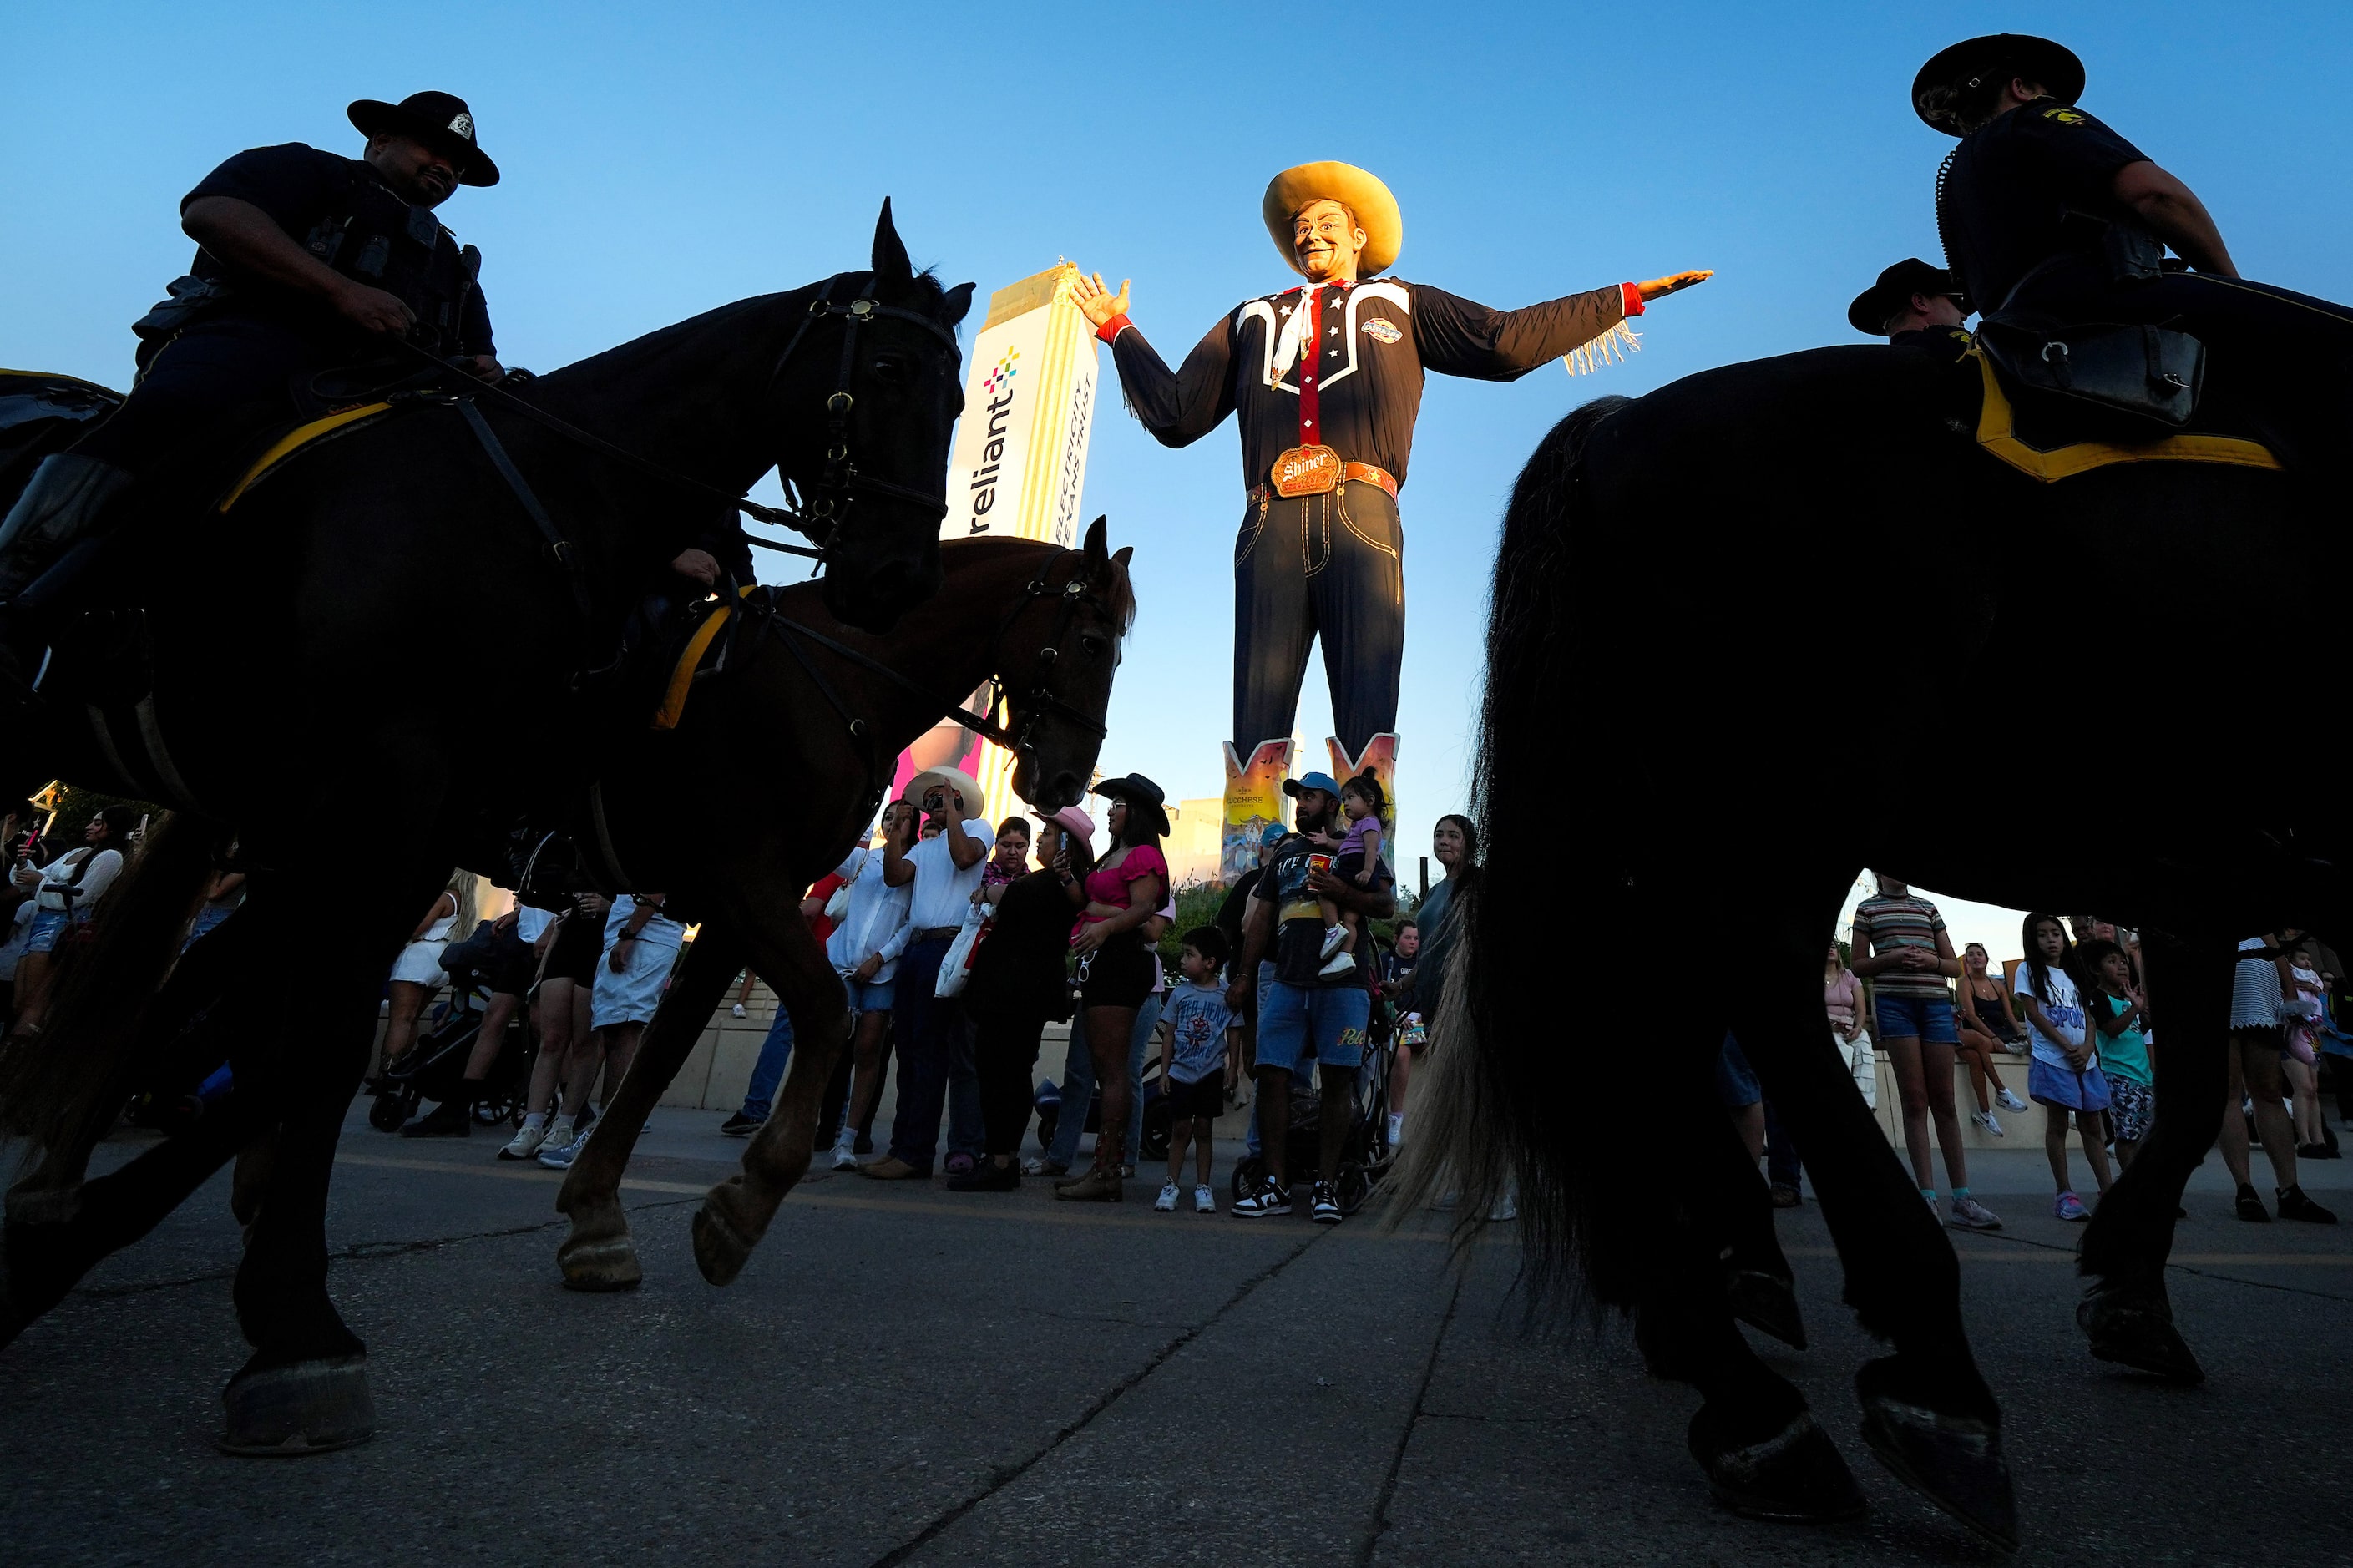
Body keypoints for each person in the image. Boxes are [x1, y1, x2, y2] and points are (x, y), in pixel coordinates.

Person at [1070, 163, 1708, 842]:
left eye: (1325, 222)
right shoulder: (1251, 317)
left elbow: (1503, 339)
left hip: (1363, 517)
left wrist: (1623, 297)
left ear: (1358, 235)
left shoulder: (1401, 303)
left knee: (1366, 713)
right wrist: (1120, 333)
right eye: (1300, 226)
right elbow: (1176, 413)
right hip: (1269, 520)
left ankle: (1360, 877)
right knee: (1256, 720)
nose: (1309, 233)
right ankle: (1247, 876)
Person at [0, 93, 507, 675]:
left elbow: (478, 354)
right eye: (433, 148)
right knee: (178, 416)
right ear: (380, 140)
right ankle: (17, 590)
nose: (446, 167)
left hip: (377, 398)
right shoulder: (309, 170)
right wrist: (340, 292)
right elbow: (215, 213)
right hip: (256, 344)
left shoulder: (453, 261)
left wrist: (484, 369)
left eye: (458, 163)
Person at [1911, 33, 2353, 466]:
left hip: (2020, 332)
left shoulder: (1956, 181)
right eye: (2044, 89)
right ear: (2021, 88)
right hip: (2108, 295)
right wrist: (2228, 286)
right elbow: (2158, 197)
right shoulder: (2038, 119)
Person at [1228, 771, 1395, 1222]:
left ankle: (1324, 1185)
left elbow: (1387, 906)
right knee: (1273, 1077)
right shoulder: (1285, 854)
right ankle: (1277, 1186)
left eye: (1309, 797)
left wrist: (1341, 890)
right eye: (1297, 799)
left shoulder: (1356, 843)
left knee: (1338, 1082)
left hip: (1344, 985)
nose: (1300, 805)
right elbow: (1261, 918)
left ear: (1330, 802)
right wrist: (1244, 976)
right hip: (1285, 982)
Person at [1848, 874, 2001, 1229]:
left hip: (1934, 1006)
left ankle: (1962, 1198)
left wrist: (1930, 962)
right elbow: (1857, 965)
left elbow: (1953, 965)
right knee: (1915, 1100)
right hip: (1895, 1006)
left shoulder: (1927, 908)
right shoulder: (1867, 909)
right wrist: (1894, 957)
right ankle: (1926, 1198)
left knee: (1944, 1099)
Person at [864, 768, 990, 1181]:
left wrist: (953, 812)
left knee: (931, 1051)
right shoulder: (926, 846)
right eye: (932, 798)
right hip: (918, 947)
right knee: (909, 1050)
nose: (935, 804)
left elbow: (965, 857)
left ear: (962, 801)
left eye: (944, 796)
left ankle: (917, 1152)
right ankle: (902, 1146)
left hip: (946, 946)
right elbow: (894, 876)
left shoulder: (977, 828)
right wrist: (898, 834)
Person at [1052, 774, 1170, 1203]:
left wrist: (1102, 929)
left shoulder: (1142, 854)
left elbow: (1143, 910)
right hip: (1101, 964)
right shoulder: (1111, 856)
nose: (1110, 810)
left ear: (1135, 812)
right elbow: (1085, 902)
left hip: (1121, 961)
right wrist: (1067, 880)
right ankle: (1104, 1168)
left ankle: (1106, 1170)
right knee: (1105, 1068)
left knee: (1113, 1069)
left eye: (1118, 803)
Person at [958, 807, 1086, 1191]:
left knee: (1003, 1074)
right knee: (1006, 1073)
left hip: (1014, 997)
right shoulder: (1054, 885)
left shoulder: (1050, 885)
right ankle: (1001, 1157)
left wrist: (988, 892)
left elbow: (1001, 895)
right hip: (1014, 995)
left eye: (1046, 834)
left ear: (1064, 845)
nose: (1041, 841)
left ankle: (999, 1160)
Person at [539, 891, 681, 1171]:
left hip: (646, 936)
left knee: (625, 1032)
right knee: (616, 1034)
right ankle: (605, 1134)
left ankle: (605, 1138)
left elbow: (657, 881)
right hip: (637, 934)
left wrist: (629, 934)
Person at [817, 802, 915, 1167]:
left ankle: (848, 1139)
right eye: (889, 818)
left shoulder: (916, 866)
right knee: (828, 1046)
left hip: (883, 973)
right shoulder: (863, 860)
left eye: (902, 819)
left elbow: (911, 924)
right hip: (843, 966)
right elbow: (827, 851)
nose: (894, 824)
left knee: (869, 1052)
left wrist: (881, 958)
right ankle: (811, 1124)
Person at [720, 873, 851, 1139]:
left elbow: (809, 912)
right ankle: (837, 1115)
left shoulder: (836, 872)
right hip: (846, 967)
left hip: (813, 964)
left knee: (782, 1035)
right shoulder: (868, 873)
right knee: (838, 1047)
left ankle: (755, 1108)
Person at [2224, 933, 2335, 1222]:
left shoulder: (2262, 927)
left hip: (2262, 1003)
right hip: (2218, 1003)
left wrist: (2290, 998)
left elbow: (2275, 950)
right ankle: (2245, 1188)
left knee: (2270, 1092)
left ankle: (2290, 1190)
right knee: (2230, 1093)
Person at [7, 804, 134, 1038]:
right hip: (41, 919)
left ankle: (17, 1054)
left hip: (60, 924)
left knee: (35, 999)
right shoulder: (78, 852)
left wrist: (40, 882)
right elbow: (39, 876)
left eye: (98, 823)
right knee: (19, 998)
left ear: (113, 828)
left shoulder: (110, 857)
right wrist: (24, 864)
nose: (89, 826)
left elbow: (81, 895)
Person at [2014, 913, 2109, 1222]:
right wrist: (2065, 1045)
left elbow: (2088, 1017)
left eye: (2056, 933)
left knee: (2092, 1126)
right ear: (2033, 939)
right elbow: (2033, 1014)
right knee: (2057, 1125)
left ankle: (2108, 1191)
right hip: (2053, 1059)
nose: (2051, 940)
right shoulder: (2028, 970)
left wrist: (2086, 1048)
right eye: (2043, 935)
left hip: (2086, 1062)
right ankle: (2064, 1193)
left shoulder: (2073, 972)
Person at [1392, 814, 1479, 1150]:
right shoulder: (1433, 893)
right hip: (1428, 1010)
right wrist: (1399, 987)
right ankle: (1395, 1123)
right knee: (1449, 1093)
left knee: (1471, 1093)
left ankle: (1500, 1192)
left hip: (1464, 1008)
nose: (1444, 841)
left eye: (1453, 836)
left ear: (1467, 844)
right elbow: (1426, 956)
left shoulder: (1476, 886)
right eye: (1439, 835)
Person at [502, 891, 604, 1161]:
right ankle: (532, 1126)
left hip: (605, 934)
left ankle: (566, 1125)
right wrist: (548, 952)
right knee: (551, 1038)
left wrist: (610, 904)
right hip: (570, 932)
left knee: (584, 1042)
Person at [1154, 927, 1237, 1214]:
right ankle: (1171, 1185)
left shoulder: (1227, 996)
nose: (1182, 960)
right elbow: (1168, 1034)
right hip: (1181, 1073)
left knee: (1204, 1129)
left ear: (1210, 962)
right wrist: (1165, 1072)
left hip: (1210, 1073)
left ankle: (1204, 1187)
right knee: (1179, 1129)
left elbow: (1234, 1033)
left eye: (1190, 955)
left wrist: (1233, 1068)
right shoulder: (1180, 994)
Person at [375, 871, 473, 1078]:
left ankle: (386, 1073)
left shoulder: (445, 896)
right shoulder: (465, 900)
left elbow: (418, 927)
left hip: (420, 958)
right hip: (441, 961)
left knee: (400, 1019)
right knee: (412, 1019)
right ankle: (401, 1071)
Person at [2078, 937, 2155, 1171]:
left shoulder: (2128, 996)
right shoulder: (2098, 997)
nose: (2122, 966)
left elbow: (2140, 1030)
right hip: (2120, 1077)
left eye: (2124, 961)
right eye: (2112, 961)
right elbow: (2111, 1030)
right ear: (2095, 969)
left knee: (2145, 1136)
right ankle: (2130, 1184)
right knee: (2126, 1136)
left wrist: (2142, 1012)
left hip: (2143, 1076)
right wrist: (2135, 1008)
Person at [1312, 771, 1387, 976]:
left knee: (1323, 889)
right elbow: (1345, 844)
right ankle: (1345, 956)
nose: (1346, 804)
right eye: (1344, 799)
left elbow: (1372, 850)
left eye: (1351, 798)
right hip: (1355, 868)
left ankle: (1333, 929)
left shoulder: (1369, 823)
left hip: (1354, 867)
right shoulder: (1357, 825)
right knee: (1350, 919)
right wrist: (1327, 841)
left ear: (1370, 801)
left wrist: (1367, 871)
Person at [1951, 943, 2029, 1136]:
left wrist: (2021, 1034)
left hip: (1994, 1035)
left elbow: (2010, 1015)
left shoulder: (1997, 985)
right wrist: (1992, 1037)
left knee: (1976, 1057)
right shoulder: (1964, 983)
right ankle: (2002, 1091)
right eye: (1971, 955)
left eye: (1979, 954)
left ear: (1986, 958)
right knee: (1980, 1041)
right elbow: (1970, 1016)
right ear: (1966, 961)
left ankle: (1985, 1113)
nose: (1976, 957)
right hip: (1971, 1034)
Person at [1848, 258, 1974, 359]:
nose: (1964, 316)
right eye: (1957, 302)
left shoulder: (1875, 369)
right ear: (1920, 303)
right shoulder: (1953, 344)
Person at [2282, 946, 2331, 1156]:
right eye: (2302, 959)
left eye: (2309, 959)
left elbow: (2321, 993)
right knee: (2303, 1087)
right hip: (2291, 1032)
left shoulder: (2312, 980)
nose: (2307, 963)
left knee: (2313, 1089)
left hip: (2310, 1034)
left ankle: (2319, 1140)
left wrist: (2314, 987)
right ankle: (2304, 1140)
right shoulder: (2285, 975)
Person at [1376, 919, 1420, 1149]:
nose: (1412, 942)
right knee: (1401, 1052)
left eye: (1416, 938)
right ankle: (1396, 1117)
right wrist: (1395, 1015)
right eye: (1408, 937)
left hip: (1422, 1021)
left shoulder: (1423, 962)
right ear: (1396, 938)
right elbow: (1380, 994)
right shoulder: (1385, 961)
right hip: (1398, 1023)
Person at [978, 817, 1030, 910]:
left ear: (1027, 847)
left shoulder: (1033, 881)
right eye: (1006, 845)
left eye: (1019, 846)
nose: (1012, 852)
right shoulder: (979, 873)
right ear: (996, 844)